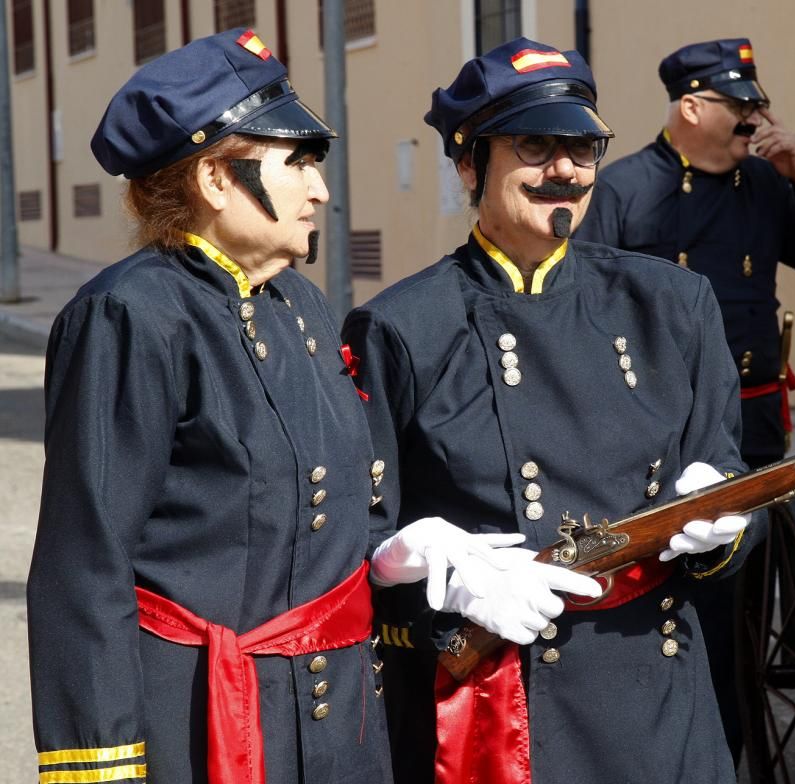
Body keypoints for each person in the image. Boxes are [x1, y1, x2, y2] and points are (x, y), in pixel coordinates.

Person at [342, 37, 758, 784]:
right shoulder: (403, 327)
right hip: (501, 706)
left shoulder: (672, 305)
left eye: (583, 148)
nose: (563, 171)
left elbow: (724, 474)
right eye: (534, 146)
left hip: (659, 696)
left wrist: (722, 522)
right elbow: (363, 545)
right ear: (471, 165)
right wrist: (447, 596)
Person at [25, 29, 405, 784]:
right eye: (295, 162)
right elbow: (84, 558)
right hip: (198, 725)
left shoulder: (300, 302)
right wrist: (101, 760)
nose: (320, 190)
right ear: (214, 178)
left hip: (337, 724)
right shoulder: (130, 315)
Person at [576, 37, 795, 468]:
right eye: (740, 109)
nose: (754, 122)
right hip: (664, 417)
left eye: (756, 109)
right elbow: (585, 310)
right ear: (692, 108)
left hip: (755, 414)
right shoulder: (623, 188)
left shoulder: (766, 181)